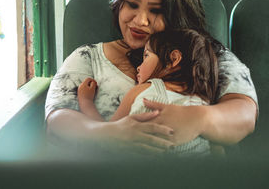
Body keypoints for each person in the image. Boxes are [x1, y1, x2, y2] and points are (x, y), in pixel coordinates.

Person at [45, 0, 258, 155]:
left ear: (177, 13)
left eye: (156, 11)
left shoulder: (207, 56)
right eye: (131, 5)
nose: (140, 21)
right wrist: (108, 134)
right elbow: (58, 117)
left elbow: (245, 114)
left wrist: (200, 118)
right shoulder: (88, 57)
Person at [78, 29, 218, 155]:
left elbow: (110, 136)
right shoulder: (205, 105)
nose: (138, 67)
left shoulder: (144, 89)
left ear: (173, 59)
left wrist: (86, 102)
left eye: (146, 55)